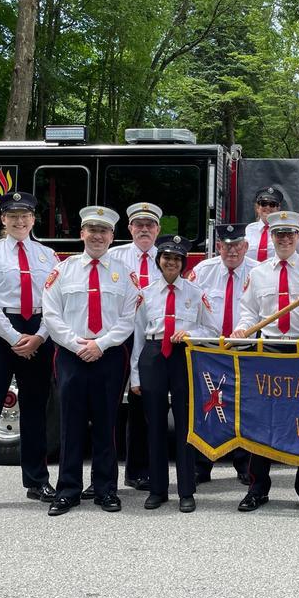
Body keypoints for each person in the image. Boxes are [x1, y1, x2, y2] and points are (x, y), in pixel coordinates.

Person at [0, 192, 59, 515]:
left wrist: (41, 335)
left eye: (25, 216)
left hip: (37, 331)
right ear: (2, 219)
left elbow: (57, 302)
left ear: (34, 219)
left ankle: (37, 481)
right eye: (13, 216)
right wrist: (15, 336)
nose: (20, 221)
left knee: (35, 411)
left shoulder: (49, 257)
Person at [232, 210, 299, 514]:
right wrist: (242, 327)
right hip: (271, 351)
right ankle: (257, 487)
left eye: (291, 234)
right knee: (264, 420)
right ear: (272, 238)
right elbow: (248, 310)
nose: (285, 239)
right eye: (279, 235)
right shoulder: (258, 273)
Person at [42, 206, 139, 516]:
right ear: (82, 233)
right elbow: (51, 314)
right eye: (92, 230)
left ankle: (105, 488)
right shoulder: (62, 270)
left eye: (104, 231)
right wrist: (75, 343)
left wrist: (100, 344)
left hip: (109, 356)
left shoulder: (125, 273)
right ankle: (67, 490)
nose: (97, 236)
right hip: (71, 356)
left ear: (112, 236)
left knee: (106, 423)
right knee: (70, 423)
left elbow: (129, 317)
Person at [130, 235, 217, 513]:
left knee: (185, 425)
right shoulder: (145, 293)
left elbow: (213, 330)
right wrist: (135, 376)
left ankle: (186, 491)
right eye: (167, 257)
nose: (171, 263)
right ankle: (157, 489)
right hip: (154, 356)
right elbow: (138, 338)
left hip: (183, 356)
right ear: (159, 261)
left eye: (177, 259)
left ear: (183, 263)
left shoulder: (195, 292)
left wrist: (191, 333)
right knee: (154, 425)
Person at [189, 223, 257, 484]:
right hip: (210, 350)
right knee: (207, 407)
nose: (232, 250)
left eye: (237, 245)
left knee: (243, 408)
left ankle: (244, 464)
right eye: (227, 245)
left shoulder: (257, 272)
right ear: (218, 247)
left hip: (245, 349)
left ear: (246, 247)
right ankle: (202, 464)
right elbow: (189, 308)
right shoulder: (202, 272)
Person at [107, 202, 164, 493]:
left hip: (150, 340)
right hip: (116, 337)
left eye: (150, 225)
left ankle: (137, 471)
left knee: (143, 405)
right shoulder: (114, 256)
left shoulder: (166, 260)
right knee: (108, 405)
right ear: (129, 228)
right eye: (138, 224)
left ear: (158, 230)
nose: (144, 229)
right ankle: (101, 478)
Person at [245, 187, 299, 262]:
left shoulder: (286, 230)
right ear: (258, 208)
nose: (267, 207)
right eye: (264, 204)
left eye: (272, 204)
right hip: (251, 273)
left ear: (278, 209)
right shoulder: (249, 229)